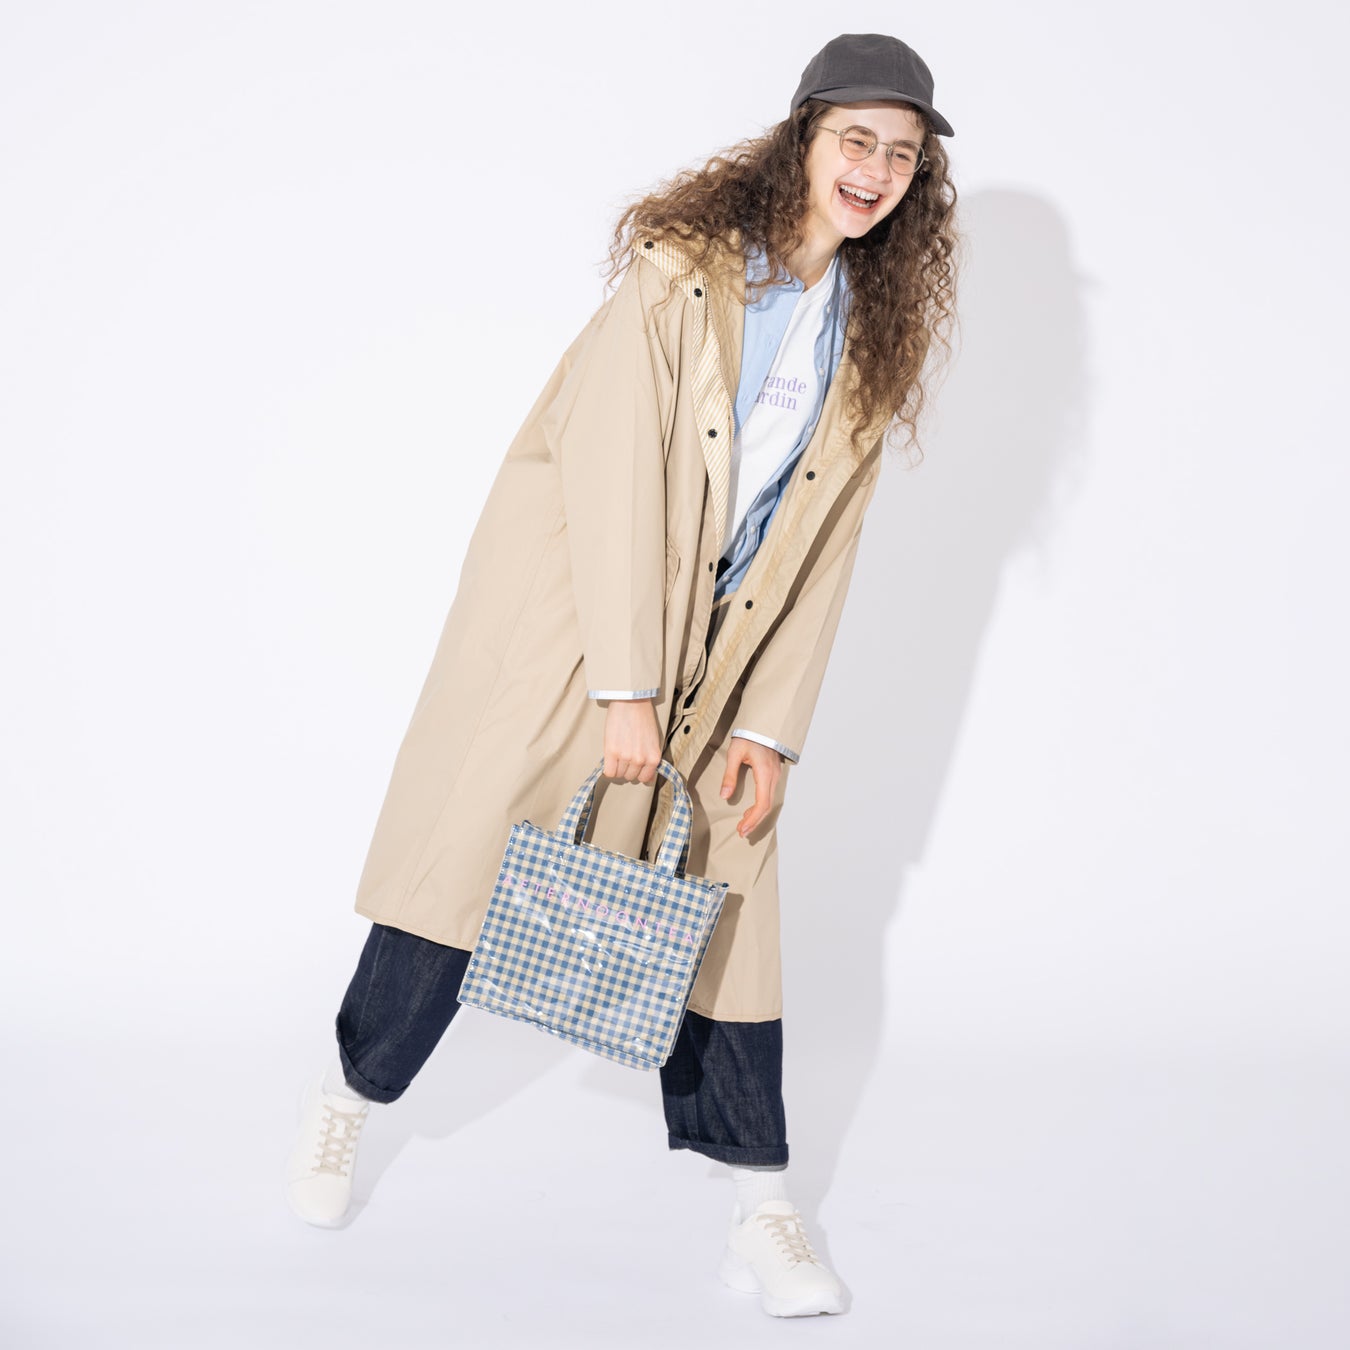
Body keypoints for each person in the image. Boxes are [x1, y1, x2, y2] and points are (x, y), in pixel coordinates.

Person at [285, 32, 957, 1319]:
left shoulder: (871, 336)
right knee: (462, 867)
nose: (876, 170)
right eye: (856, 140)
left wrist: (772, 724)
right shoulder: (680, 273)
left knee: (733, 913)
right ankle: (348, 1098)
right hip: (576, 638)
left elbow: (827, 550)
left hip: (726, 662)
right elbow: (606, 480)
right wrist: (626, 690)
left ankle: (761, 1204)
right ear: (803, 139)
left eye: (903, 153)